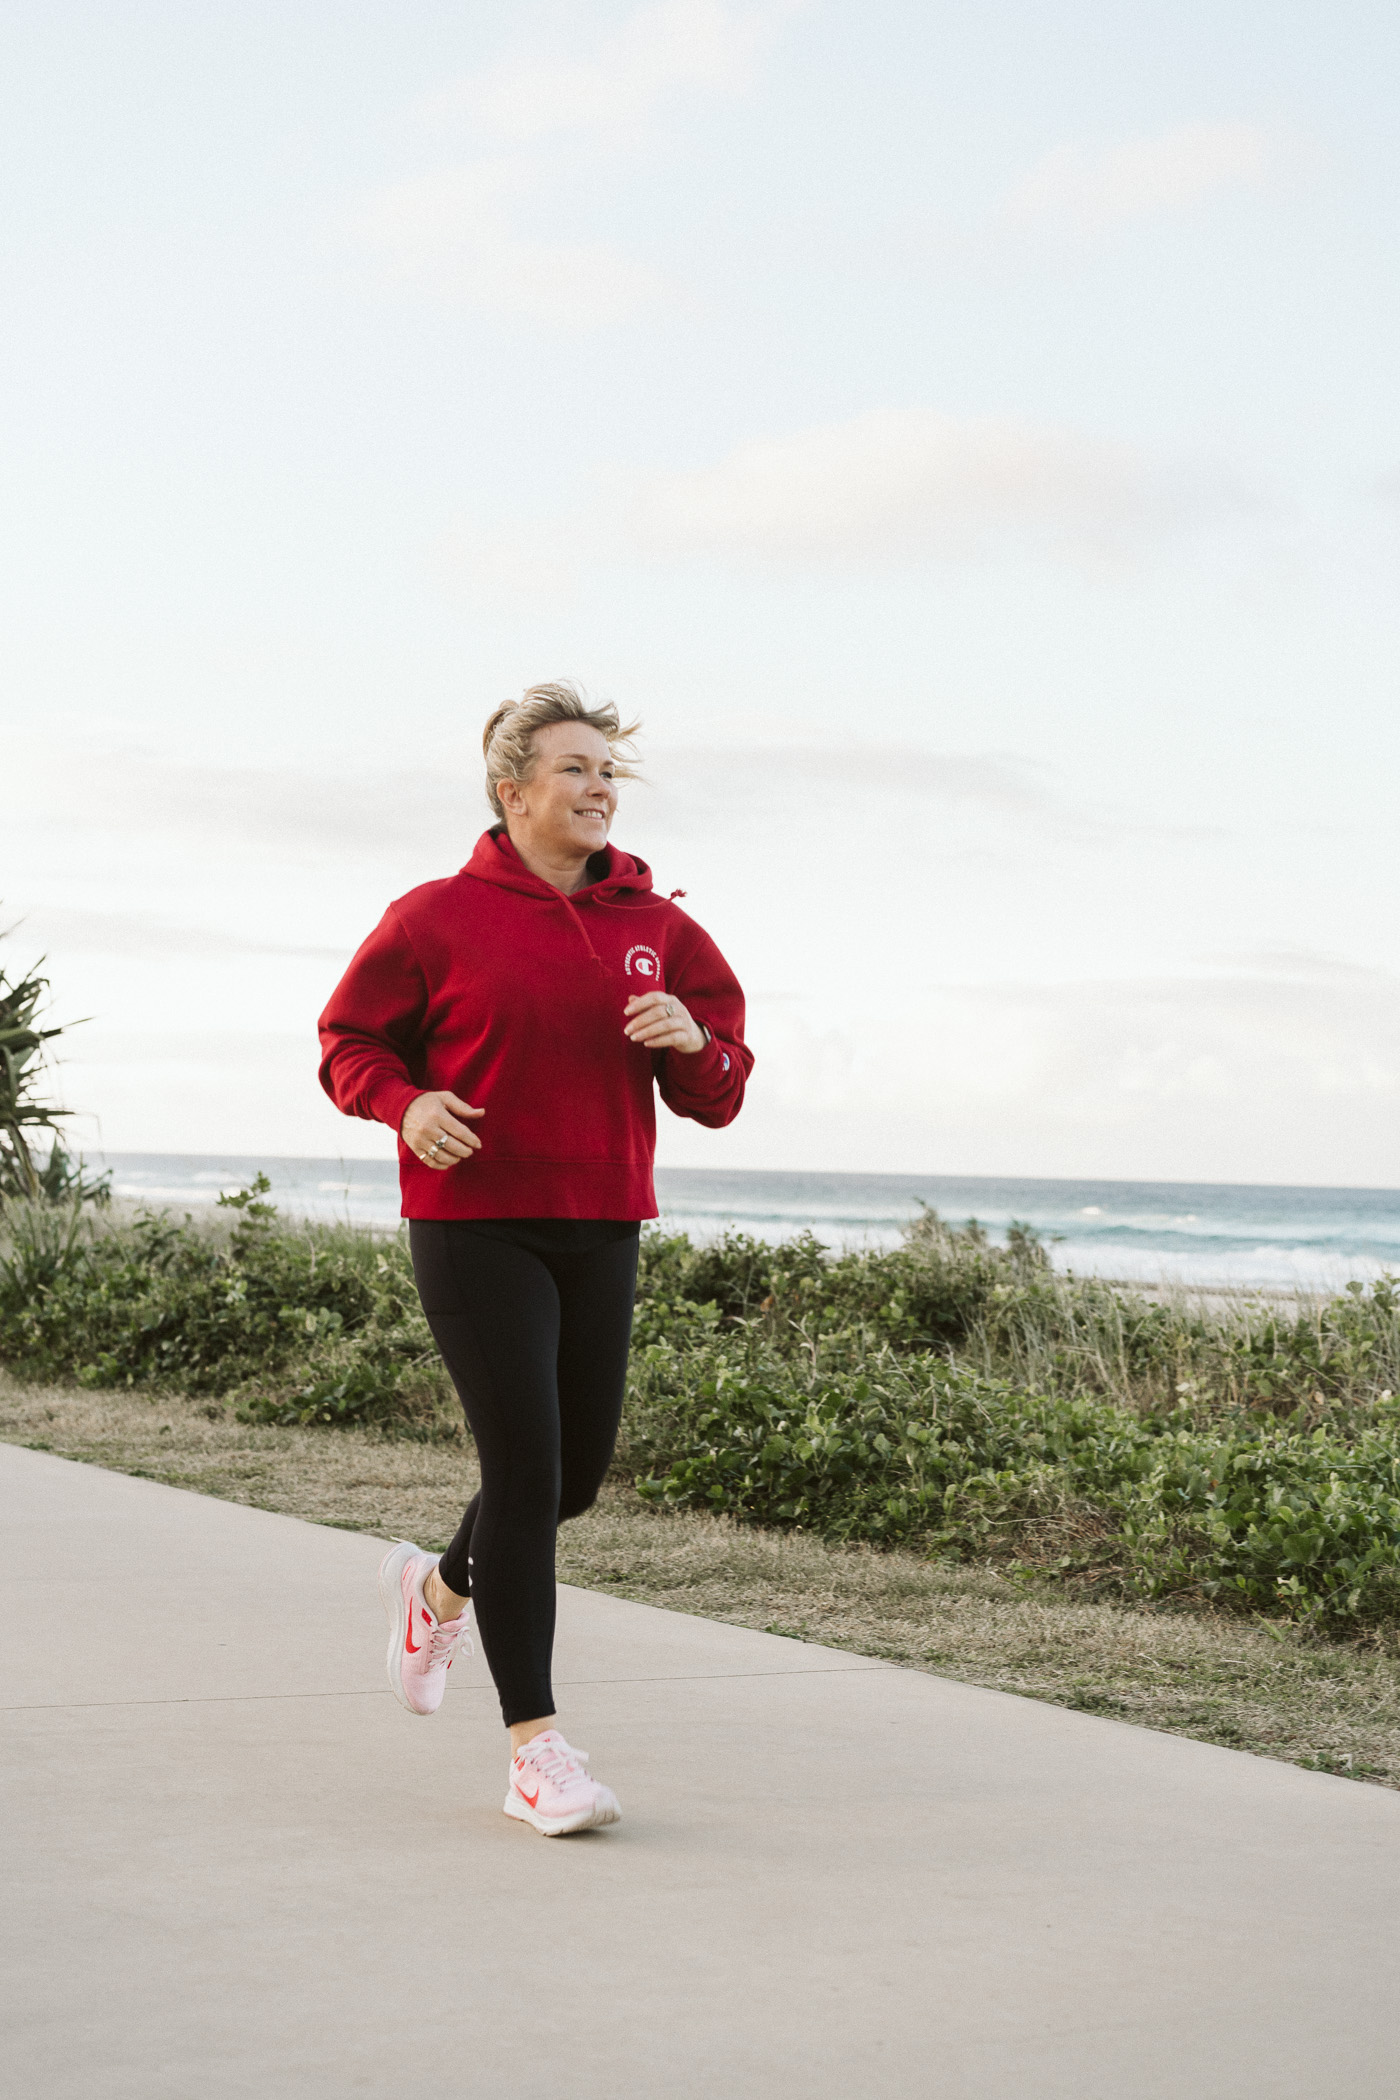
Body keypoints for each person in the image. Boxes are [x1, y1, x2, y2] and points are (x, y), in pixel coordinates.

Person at [317, 681, 751, 1835]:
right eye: (574, 768)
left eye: (608, 770)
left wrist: (692, 1042)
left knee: (573, 1481)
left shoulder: (658, 928)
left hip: (601, 1221)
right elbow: (348, 1043)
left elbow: (719, 1090)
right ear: (511, 791)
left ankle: (435, 1588)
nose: (599, 787)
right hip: (474, 1224)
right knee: (521, 1472)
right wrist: (406, 1104)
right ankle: (534, 1753)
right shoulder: (432, 918)